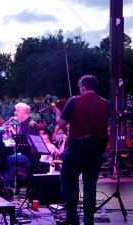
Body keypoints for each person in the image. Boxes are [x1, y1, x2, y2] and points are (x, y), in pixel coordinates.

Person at [54, 75, 109, 225]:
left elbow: (63, 124)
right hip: (96, 148)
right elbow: (104, 127)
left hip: (77, 148)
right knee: (90, 185)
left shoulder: (74, 100)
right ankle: (88, 221)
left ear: (83, 86)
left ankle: (72, 217)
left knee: (68, 181)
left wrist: (58, 113)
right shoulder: (105, 103)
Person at [1, 103, 39, 188]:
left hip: (31, 156)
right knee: (4, 156)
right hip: (25, 153)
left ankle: (6, 186)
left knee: (7, 158)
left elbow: (31, 145)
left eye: (17, 110)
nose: (15, 112)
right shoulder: (22, 124)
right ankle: (6, 184)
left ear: (24, 112)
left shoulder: (31, 125)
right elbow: (22, 140)